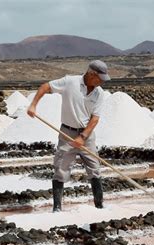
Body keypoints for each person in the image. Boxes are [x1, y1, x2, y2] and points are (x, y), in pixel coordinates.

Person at [27, 60, 110, 212]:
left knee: (95, 168)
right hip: (67, 133)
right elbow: (46, 86)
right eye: (100, 78)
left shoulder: (99, 93)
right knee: (61, 168)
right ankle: (57, 208)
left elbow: (95, 118)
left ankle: (99, 205)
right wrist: (33, 105)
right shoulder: (70, 82)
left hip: (87, 135)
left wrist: (83, 137)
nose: (102, 83)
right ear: (91, 74)